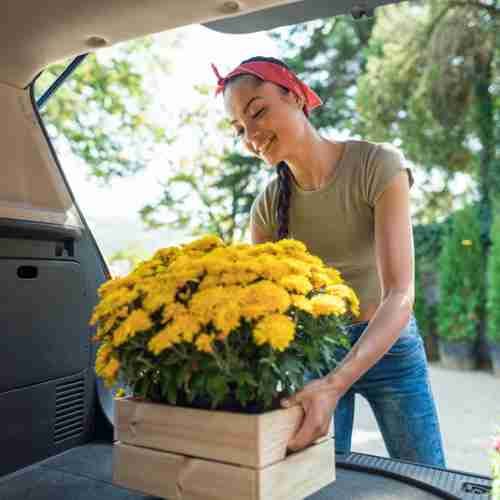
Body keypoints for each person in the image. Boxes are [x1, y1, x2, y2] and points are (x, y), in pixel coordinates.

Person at [211, 56, 446, 467]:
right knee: (316, 481)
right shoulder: (266, 207)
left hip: (389, 344)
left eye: (258, 111)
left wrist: (336, 383)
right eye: (239, 129)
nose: (251, 135)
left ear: (296, 97)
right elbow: (269, 310)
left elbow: (399, 293)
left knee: (427, 476)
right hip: (315, 354)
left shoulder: (377, 165)